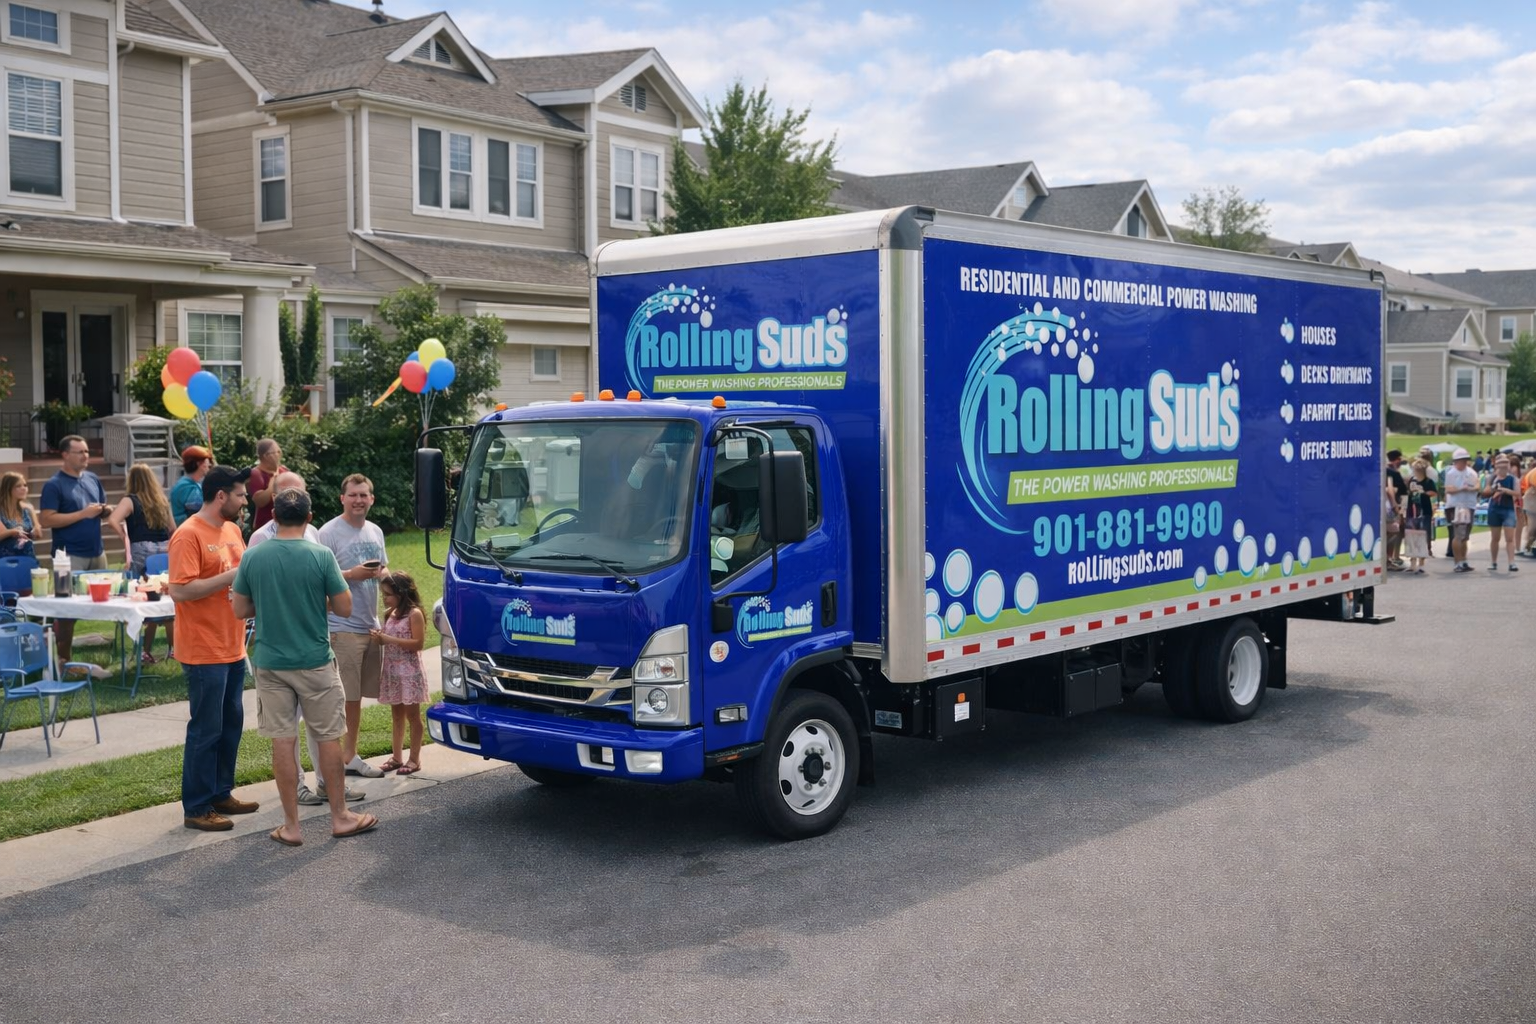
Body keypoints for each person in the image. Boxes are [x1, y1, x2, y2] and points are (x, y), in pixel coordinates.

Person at [231, 488, 379, 846]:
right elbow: (344, 608)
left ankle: (292, 825)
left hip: (270, 661)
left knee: (283, 739)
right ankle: (340, 816)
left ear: (274, 518)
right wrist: (315, 600)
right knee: (328, 735)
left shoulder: (254, 556)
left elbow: (240, 609)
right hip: (314, 660)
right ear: (310, 518)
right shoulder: (321, 555)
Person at [246, 471, 363, 806]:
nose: (292, 496)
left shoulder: (312, 535)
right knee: (306, 733)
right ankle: (308, 793)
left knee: (305, 732)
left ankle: (321, 792)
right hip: (303, 653)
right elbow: (341, 603)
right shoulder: (258, 542)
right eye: (287, 492)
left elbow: (240, 605)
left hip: (287, 652)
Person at [168, 464, 256, 832]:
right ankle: (197, 807)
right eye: (240, 495)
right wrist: (231, 576)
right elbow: (180, 590)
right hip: (204, 651)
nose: (245, 500)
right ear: (221, 495)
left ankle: (221, 792)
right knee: (206, 729)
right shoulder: (188, 535)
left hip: (234, 645)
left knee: (231, 725)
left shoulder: (233, 530)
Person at [317, 473, 389, 778]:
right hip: (340, 625)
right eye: (353, 495)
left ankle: (349, 755)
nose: (358, 500)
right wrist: (350, 574)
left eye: (364, 495)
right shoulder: (328, 533)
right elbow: (318, 578)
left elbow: (382, 568)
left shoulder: (375, 531)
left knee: (357, 697)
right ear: (342, 498)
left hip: (369, 625)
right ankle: (337, 761)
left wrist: (393, 590)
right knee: (344, 697)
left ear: (372, 499)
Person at [38, 435, 112, 663]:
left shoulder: (92, 478)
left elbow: (101, 507)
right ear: (65, 455)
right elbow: (47, 519)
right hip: (66, 557)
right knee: (66, 610)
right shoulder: (54, 484)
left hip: (96, 552)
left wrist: (105, 510)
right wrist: (83, 514)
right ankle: (61, 658)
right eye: (80, 452)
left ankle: (121, 655)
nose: (85, 456)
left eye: (87, 451)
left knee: (113, 601)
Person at [107, 463, 174, 662]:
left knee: (143, 598)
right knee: (162, 598)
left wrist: (123, 537)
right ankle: (171, 648)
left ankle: (143, 650)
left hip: (142, 549)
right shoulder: (162, 500)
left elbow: (112, 519)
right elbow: (173, 527)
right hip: (163, 549)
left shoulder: (130, 500)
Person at [371, 570, 427, 777]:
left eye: (388, 594)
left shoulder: (415, 614)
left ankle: (414, 758)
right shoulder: (390, 614)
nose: (384, 598)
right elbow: (387, 638)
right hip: (392, 671)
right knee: (396, 715)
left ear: (402, 593)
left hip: (409, 672)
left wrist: (388, 640)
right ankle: (396, 756)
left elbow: (418, 644)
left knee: (413, 716)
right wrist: (379, 638)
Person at [1442, 448, 1479, 573]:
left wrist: (1471, 488)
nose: (1462, 462)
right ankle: (1457, 562)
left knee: (1465, 536)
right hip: (1456, 505)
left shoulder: (1471, 472)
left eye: (1464, 460)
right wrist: (1461, 489)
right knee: (1458, 534)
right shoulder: (1451, 473)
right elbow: (1448, 489)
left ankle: (1463, 560)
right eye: (1459, 460)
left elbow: (1478, 485)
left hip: (1469, 505)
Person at [1482, 455, 1519, 572]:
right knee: (1495, 537)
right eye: (1500, 464)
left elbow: (1517, 493)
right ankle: (1493, 561)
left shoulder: (1513, 479)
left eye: (1505, 464)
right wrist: (1493, 489)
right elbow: (1485, 492)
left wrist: (1505, 490)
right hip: (1495, 508)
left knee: (1509, 538)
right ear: (1496, 466)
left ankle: (1511, 562)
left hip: (1508, 509)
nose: (1502, 467)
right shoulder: (1492, 478)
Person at [246, 438, 288, 535]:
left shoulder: (283, 471)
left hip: (284, 524)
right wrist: (273, 482)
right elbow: (260, 501)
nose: (279, 455)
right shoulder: (257, 473)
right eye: (276, 452)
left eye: (279, 451)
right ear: (265, 456)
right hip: (264, 527)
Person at [1402, 459, 1434, 574]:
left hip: (1424, 511)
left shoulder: (1428, 481)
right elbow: (1407, 493)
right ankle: (1412, 562)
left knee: (1422, 536)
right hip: (1412, 511)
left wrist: (1423, 492)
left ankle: (1421, 563)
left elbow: (1433, 493)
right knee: (1411, 536)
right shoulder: (1411, 480)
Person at [0, 471, 39, 561]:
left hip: (28, 558)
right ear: (8, 489)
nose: (24, 488)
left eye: (25, 485)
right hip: (5, 561)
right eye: (18, 486)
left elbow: (37, 533)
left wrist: (35, 529)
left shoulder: (26, 510)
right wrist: (13, 531)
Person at [169, 445, 211, 527]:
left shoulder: (190, 483)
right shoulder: (187, 487)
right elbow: (200, 512)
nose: (209, 465)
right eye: (207, 462)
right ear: (199, 463)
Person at [1383, 450, 1407, 570]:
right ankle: (1388, 558)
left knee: (1384, 533)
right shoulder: (1391, 474)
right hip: (1388, 508)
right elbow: (1393, 491)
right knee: (1393, 531)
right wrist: (1396, 508)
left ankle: (1386, 558)